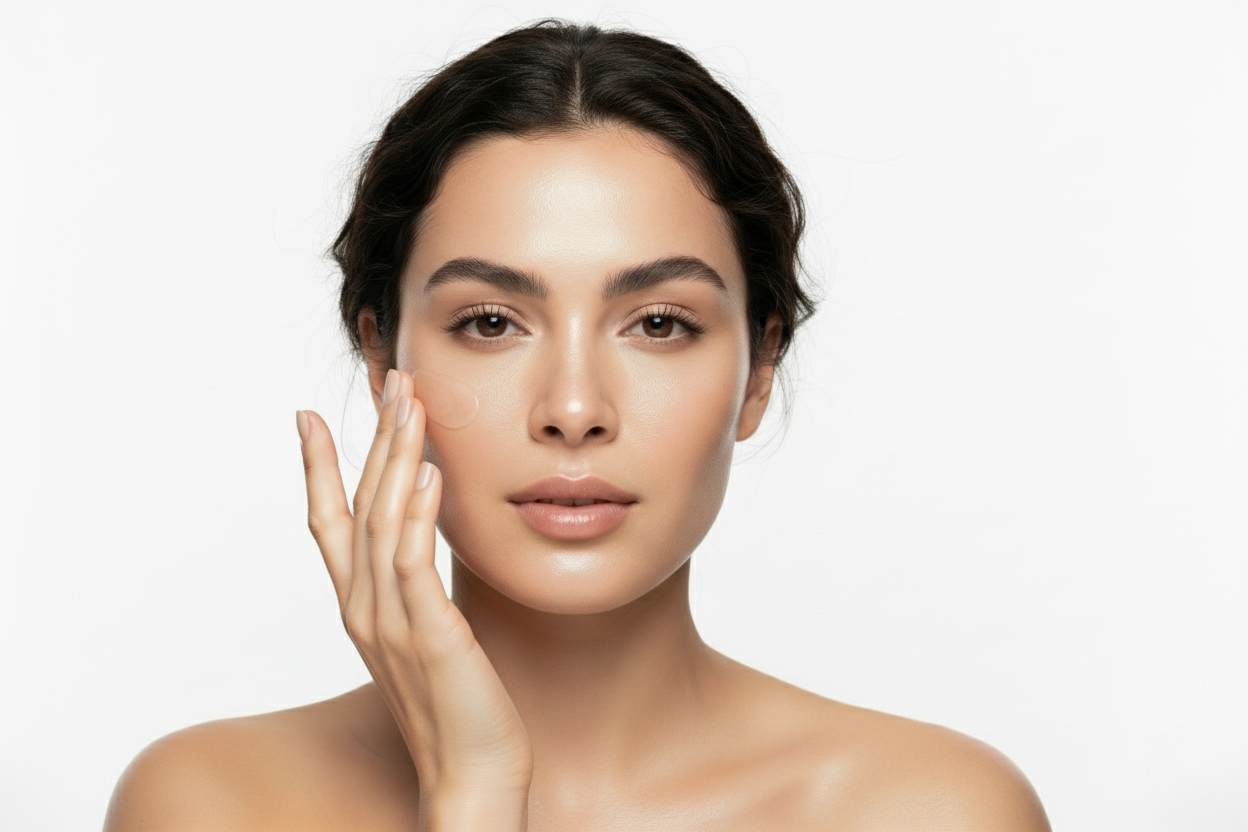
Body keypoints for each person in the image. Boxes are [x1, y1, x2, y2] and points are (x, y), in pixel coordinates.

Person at [104, 20, 1049, 831]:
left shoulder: (931, 810)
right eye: (490, 323)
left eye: (659, 324)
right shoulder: (212, 804)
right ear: (384, 361)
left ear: (759, 370)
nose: (572, 412)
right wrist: (473, 796)